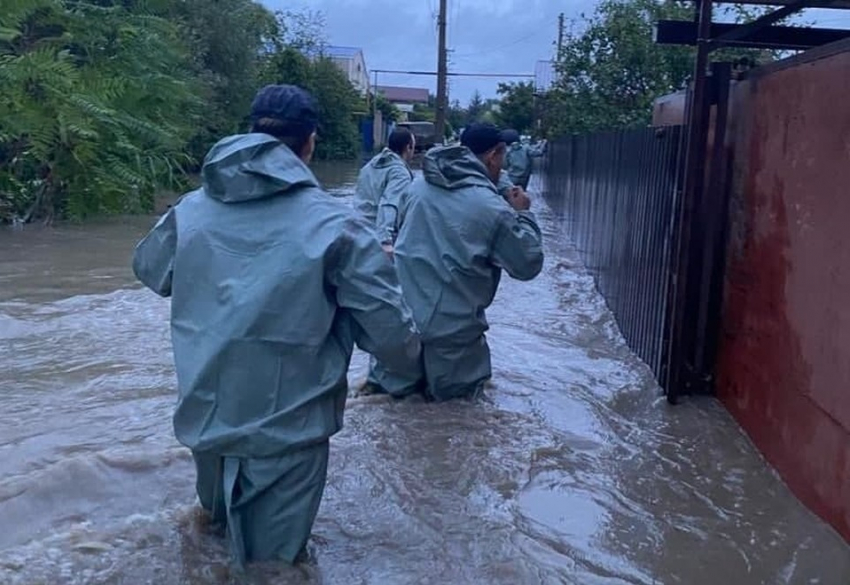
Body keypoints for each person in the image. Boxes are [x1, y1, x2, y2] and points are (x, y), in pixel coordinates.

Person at [131, 84, 422, 566]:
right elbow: (395, 342)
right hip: (286, 439)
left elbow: (149, 271)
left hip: (206, 422)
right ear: (309, 143)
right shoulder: (338, 226)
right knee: (273, 568)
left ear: (250, 134)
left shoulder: (190, 210)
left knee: (214, 545)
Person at [391, 123, 545, 401]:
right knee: (457, 424)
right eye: (503, 158)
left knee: (395, 418)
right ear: (494, 155)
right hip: (453, 347)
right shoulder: (493, 209)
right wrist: (524, 214)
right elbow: (528, 264)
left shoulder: (417, 186)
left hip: (398, 333)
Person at [353, 127, 416, 252]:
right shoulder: (400, 173)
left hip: (357, 232)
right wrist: (386, 241)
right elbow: (389, 204)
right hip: (378, 239)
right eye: (414, 147)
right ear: (408, 147)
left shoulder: (369, 166)